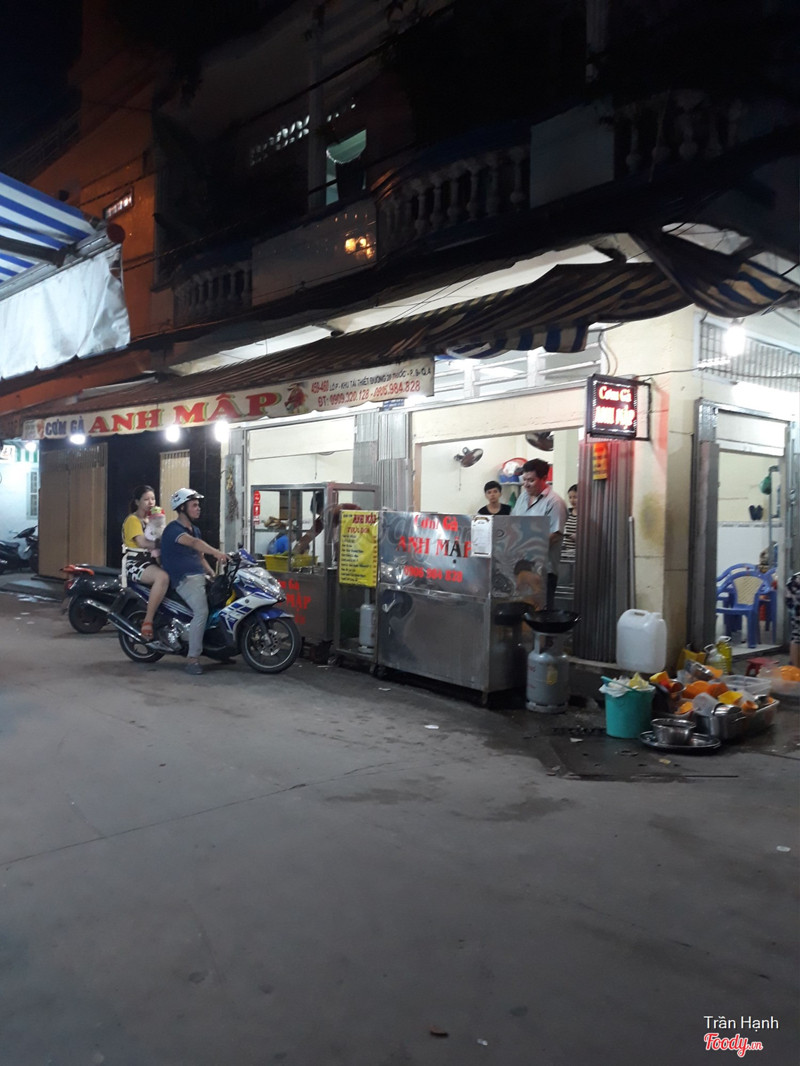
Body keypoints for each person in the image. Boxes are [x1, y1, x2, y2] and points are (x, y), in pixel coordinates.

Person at [160, 487, 227, 676]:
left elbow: (199, 556)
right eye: (194, 505)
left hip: (198, 576)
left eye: (198, 505)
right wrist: (217, 553)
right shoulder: (173, 529)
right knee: (202, 611)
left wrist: (211, 574)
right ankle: (192, 659)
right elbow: (194, 544)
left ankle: (218, 649)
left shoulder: (195, 530)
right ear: (182, 508)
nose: (198, 508)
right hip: (184, 579)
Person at [511, 458, 567, 609]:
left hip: (543, 570)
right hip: (520, 568)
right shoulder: (522, 498)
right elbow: (513, 525)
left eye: (531, 480)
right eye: (524, 480)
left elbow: (555, 535)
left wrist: (528, 550)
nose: (526, 484)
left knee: (541, 612)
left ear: (544, 478)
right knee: (521, 610)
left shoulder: (554, 502)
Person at [121, 484, 170, 641]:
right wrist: (162, 543)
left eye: (153, 499)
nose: (151, 503)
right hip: (135, 564)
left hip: (150, 562)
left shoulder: (152, 520)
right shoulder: (133, 520)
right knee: (162, 577)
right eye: (146, 499)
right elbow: (142, 542)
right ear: (137, 502)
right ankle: (148, 621)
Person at [561, 483, 578, 563]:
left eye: (575, 497)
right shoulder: (567, 512)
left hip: (577, 553)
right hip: (565, 551)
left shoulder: (584, 515)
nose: (572, 500)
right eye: (570, 497)